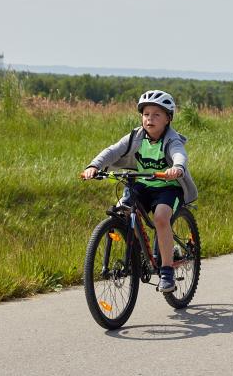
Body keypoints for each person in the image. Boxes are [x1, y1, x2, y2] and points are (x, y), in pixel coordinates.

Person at [82, 90, 199, 293]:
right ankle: (139, 254)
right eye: (146, 114)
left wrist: (177, 168)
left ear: (168, 119)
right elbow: (112, 151)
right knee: (122, 210)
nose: (149, 119)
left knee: (161, 218)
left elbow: (179, 154)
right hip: (142, 185)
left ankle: (166, 272)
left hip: (168, 188)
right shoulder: (135, 137)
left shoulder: (172, 140)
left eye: (156, 114)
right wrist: (94, 166)